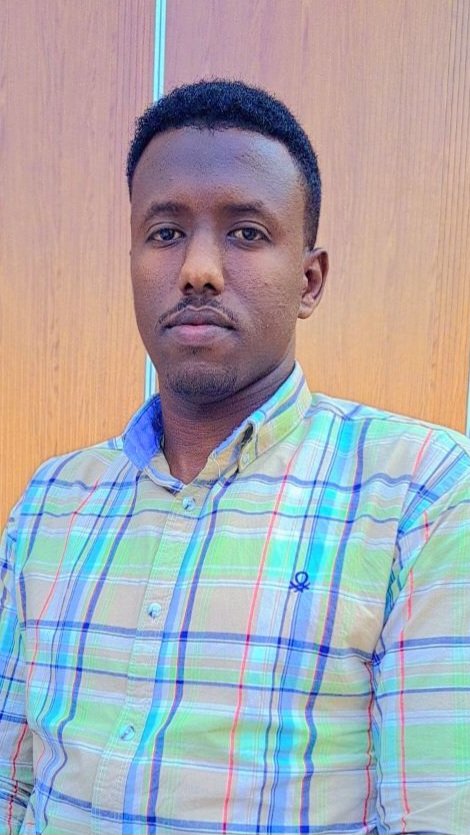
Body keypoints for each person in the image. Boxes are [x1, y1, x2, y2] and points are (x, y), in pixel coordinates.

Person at [0, 80, 469, 835]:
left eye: (247, 233)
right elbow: (11, 780)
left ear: (309, 280)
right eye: (165, 234)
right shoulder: (53, 499)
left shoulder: (421, 492)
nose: (198, 269)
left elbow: (437, 813)